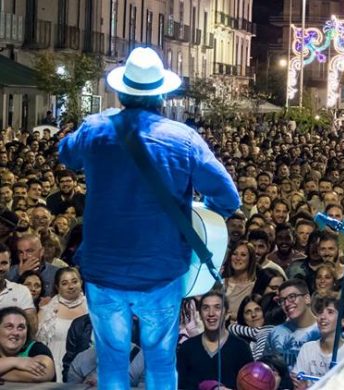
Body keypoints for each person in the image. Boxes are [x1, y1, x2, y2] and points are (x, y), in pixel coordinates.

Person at [57, 47, 240, 389]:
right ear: (162, 94)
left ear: (121, 91)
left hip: (104, 270)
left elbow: (66, 154)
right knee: (159, 360)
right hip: (162, 270)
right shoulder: (184, 139)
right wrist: (200, 211)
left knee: (111, 360)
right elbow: (228, 198)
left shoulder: (95, 128)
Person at [176, 291, 252, 389]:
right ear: (199, 314)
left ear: (227, 314)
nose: (211, 313)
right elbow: (179, 385)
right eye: (205, 308)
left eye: (217, 308)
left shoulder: (241, 347)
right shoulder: (187, 348)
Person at [292, 293, 344, 388]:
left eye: (330, 312)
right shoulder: (307, 349)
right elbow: (298, 384)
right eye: (320, 312)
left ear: (343, 321)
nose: (322, 317)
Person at [36, 267, 88, 382]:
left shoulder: (92, 308)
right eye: (64, 283)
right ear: (57, 287)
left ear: (81, 282)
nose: (71, 286)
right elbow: (38, 342)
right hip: (54, 363)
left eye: (75, 281)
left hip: (85, 364)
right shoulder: (47, 310)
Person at [267, 279, 321, 371]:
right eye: (282, 300)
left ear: (307, 298)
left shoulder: (327, 331)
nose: (287, 303)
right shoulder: (276, 333)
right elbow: (267, 368)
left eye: (292, 297)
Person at [0, 306, 55, 382]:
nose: (15, 332)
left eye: (21, 327)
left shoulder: (37, 348)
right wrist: (16, 362)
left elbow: (41, 374)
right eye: (9, 327)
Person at [222, 241, 261, 322]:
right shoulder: (221, 283)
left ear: (251, 259)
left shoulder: (256, 286)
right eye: (234, 254)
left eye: (243, 255)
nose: (238, 258)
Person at [227, 294, 274, 360]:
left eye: (257, 310)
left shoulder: (273, 330)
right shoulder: (238, 342)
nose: (253, 315)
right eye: (248, 312)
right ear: (243, 318)